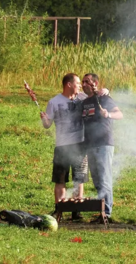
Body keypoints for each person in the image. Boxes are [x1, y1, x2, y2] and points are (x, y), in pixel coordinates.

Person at [78, 73, 123, 222]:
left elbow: (119, 114)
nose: (84, 84)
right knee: (97, 180)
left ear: (95, 83)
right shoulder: (85, 102)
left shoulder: (104, 98)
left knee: (104, 178)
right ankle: (101, 212)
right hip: (90, 145)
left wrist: (108, 114)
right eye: (83, 82)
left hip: (103, 143)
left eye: (87, 82)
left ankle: (107, 214)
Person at [40, 73, 87, 204]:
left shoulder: (83, 98)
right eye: (78, 83)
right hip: (62, 146)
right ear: (69, 84)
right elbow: (47, 125)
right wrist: (44, 119)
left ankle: (77, 209)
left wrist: (105, 91)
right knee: (60, 179)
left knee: (79, 179)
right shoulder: (54, 102)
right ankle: (59, 209)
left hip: (80, 145)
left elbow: (99, 96)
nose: (80, 86)